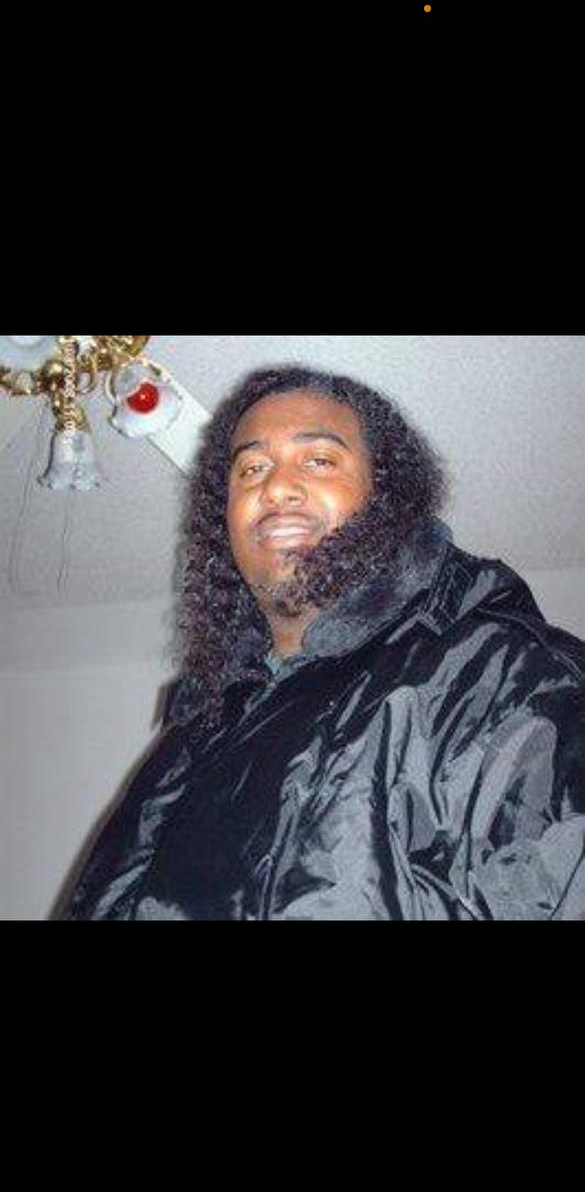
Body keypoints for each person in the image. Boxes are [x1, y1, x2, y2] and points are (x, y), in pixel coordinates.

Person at [59, 365, 585, 920]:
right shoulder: (194, 731)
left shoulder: (509, 681)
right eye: (251, 469)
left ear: (387, 496)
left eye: (318, 460)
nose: (274, 487)